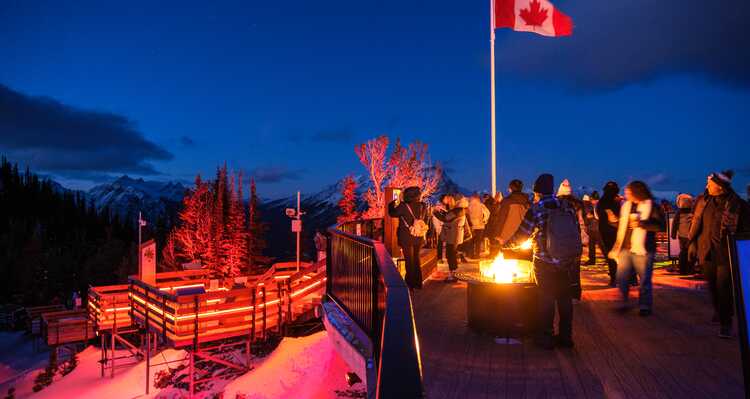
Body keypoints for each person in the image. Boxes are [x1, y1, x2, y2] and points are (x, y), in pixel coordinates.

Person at [509, 174, 581, 349]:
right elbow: (575, 230)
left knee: (545, 299)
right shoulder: (567, 206)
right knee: (564, 299)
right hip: (566, 260)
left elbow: (521, 235)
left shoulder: (536, 209)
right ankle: (566, 337)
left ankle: (545, 337)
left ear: (537, 191)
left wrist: (508, 245)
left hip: (545, 261)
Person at [688, 171, 750, 338]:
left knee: (724, 287)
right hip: (705, 251)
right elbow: (696, 224)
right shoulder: (703, 201)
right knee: (713, 286)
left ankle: (726, 322)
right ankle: (719, 310)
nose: (707, 185)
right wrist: (692, 244)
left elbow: (746, 231)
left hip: (725, 253)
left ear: (720, 186)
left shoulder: (739, 206)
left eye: (710, 183)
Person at [608, 181, 665, 316]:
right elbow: (624, 226)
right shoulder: (626, 206)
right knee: (622, 277)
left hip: (644, 249)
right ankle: (623, 301)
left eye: (628, 192)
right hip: (625, 248)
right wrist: (614, 221)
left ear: (637, 192)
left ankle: (645, 305)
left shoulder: (652, 206)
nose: (626, 194)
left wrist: (642, 223)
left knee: (644, 279)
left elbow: (661, 226)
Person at [388, 186, 429, 290]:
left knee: (409, 260)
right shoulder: (423, 206)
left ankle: (410, 284)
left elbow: (392, 213)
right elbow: (426, 219)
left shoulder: (403, 206)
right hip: (418, 236)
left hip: (407, 237)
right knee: (416, 259)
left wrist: (391, 204)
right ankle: (418, 283)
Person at [557, 179, 585, 300]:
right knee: (575, 266)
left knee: (561, 267)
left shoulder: (556, 203)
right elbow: (581, 221)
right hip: (575, 237)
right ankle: (575, 293)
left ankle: (562, 293)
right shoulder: (577, 204)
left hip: (560, 238)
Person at [486, 179, 530, 257]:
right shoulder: (528, 202)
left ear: (511, 188)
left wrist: (496, 235)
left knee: (510, 261)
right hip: (523, 237)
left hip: (507, 238)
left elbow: (500, 219)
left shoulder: (507, 202)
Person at [433, 195, 468, 282]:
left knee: (450, 255)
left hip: (454, 235)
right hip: (454, 235)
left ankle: (453, 275)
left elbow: (446, 218)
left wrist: (435, 212)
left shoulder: (458, 210)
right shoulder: (459, 209)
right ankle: (453, 273)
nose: (448, 202)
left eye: (450, 200)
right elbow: (448, 216)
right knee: (451, 254)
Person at [597, 181, 622, 286]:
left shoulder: (602, 201)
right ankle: (629, 278)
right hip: (618, 231)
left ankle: (614, 278)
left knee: (611, 254)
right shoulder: (619, 200)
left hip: (606, 231)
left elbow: (598, 214)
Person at [671, 194, 695, 275]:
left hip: (682, 235)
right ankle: (690, 269)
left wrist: (673, 234)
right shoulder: (693, 212)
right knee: (691, 252)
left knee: (683, 252)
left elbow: (675, 224)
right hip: (691, 235)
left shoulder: (679, 213)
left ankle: (682, 269)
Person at [467, 194, 490, 259]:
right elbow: (487, 213)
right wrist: (484, 220)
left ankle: (471, 254)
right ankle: (477, 254)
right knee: (478, 242)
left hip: (471, 226)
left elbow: (466, 215)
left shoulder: (469, 206)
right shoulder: (481, 205)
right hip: (480, 226)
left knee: (471, 241)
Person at [432, 195, 449, 266]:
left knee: (448, 244)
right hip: (441, 228)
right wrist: (438, 229)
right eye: (446, 198)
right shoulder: (438, 208)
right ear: (442, 199)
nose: (447, 200)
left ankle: (447, 257)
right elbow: (435, 219)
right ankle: (439, 258)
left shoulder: (447, 207)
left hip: (447, 228)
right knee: (440, 244)